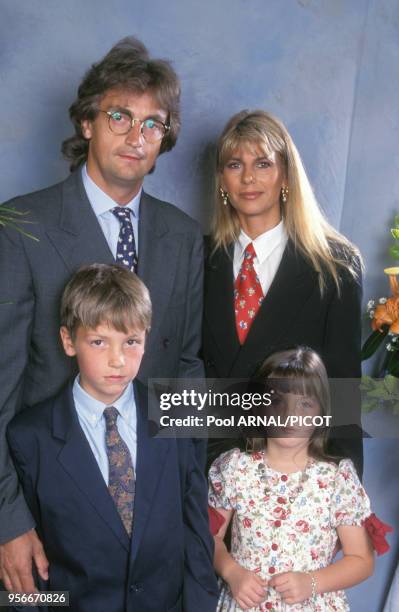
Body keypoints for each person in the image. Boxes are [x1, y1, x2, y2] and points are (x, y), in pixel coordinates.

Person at [0, 37, 204, 589]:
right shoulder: (21, 226)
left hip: (155, 513)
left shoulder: (183, 237)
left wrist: (190, 504)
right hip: (48, 505)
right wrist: (7, 522)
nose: (135, 137)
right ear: (87, 122)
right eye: (119, 116)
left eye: (153, 124)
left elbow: (184, 369)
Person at [6, 264, 218, 612]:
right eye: (99, 341)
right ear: (68, 340)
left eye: (131, 342)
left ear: (147, 338)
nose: (118, 360)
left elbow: (195, 534)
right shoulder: (30, 437)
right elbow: (29, 572)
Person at [203, 109, 363, 474]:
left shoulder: (334, 265)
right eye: (233, 165)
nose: (247, 178)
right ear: (221, 180)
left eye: (262, 164)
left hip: (295, 482)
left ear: (286, 174)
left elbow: (342, 390)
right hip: (209, 471)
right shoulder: (195, 258)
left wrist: (347, 499)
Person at [208, 347, 391, 611]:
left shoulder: (336, 479)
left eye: (305, 403)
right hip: (244, 604)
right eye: (277, 400)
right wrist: (231, 571)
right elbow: (209, 537)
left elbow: (361, 559)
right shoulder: (234, 468)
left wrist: (312, 582)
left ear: (322, 412)